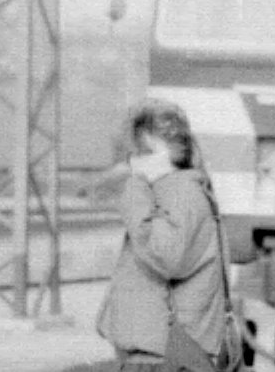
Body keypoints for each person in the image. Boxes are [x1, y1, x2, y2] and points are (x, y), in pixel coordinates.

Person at [96, 98, 226, 371]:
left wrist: (135, 189)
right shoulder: (170, 191)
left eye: (142, 153)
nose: (134, 162)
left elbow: (165, 257)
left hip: (165, 356)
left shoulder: (180, 194)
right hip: (159, 352)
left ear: (167, 152)